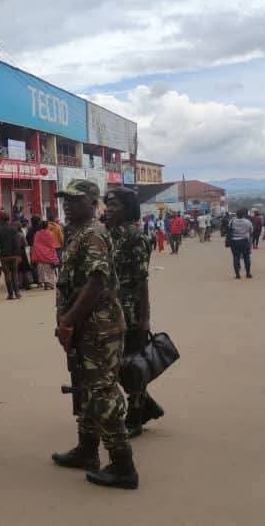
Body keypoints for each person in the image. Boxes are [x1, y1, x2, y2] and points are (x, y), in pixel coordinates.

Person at [50, 179, 139, 490]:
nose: (67, 205)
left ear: (92, 202)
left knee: (102, 392)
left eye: (75, 200)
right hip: (83, 328)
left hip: (98, 328)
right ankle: (87, 450)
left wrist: (68, 321)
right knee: (86, 389)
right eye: (65, 200)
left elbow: (97, 281)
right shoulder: (77, 233)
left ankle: (122, 465)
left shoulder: (93, 234)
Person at [104, 188, 162, 438]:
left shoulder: (136, 237)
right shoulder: (109, 235)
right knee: (114, 364)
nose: (108, 209)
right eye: (107, 204)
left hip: (131, 311)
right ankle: (146, 404)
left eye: (114, 205)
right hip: (110, 309)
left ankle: (135, 417)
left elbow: (141, 281)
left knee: (130, 365)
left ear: (128, 208)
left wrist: (145, 318)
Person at [0, 212, 22, 300]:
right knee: (14, 274)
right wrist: (18, 254)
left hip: (4, 255)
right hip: (14, 255)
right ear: (8, 219)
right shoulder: (14, 229)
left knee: (7, 274)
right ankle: (17, 293)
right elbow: (17, 242)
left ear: (0, 219)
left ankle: (10, 294)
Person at [30, 220, 60, 289]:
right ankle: (51, 284)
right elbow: (52, 244)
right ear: (47, 226)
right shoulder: (50, 233)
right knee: (50, 270)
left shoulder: (37, 234)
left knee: (42, 271)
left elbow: (35, 244)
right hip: (49, 254)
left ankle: (46, 285)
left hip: (40, 255)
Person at [229, 209, 254, 279]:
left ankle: (237, 275)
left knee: (235, 257)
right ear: (244, 215)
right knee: (246, 257)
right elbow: (251, 230)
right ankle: (248, 274)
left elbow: (229, 229)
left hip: (234, 241)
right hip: (244, 241)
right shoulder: (247, 222)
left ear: (236, 214)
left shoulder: (232, 221)